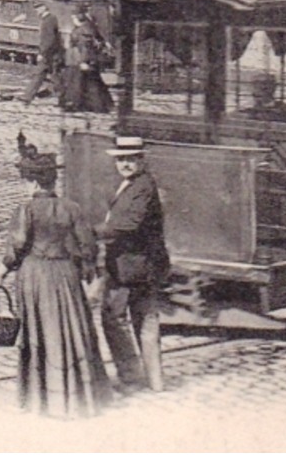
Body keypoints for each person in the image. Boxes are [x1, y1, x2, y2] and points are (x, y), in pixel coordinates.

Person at [0, 144, 111, 418]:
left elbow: (16, 248)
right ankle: (79, 396)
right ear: (53, 180)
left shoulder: (26, 210)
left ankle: (41, 396)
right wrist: (91, 277)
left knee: (39, 332)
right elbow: (88, 247)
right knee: (71, 330)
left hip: (35, 275)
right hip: (65, 275)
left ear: (31, 182)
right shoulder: (72, 208)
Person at [96, 136, 170, 394]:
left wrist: (90, 234)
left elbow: (127, 225)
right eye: (121, 159)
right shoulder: (135, 184)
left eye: (131, 159)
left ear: (141, 159)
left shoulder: (142, 187)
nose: (125, 164)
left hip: (129, 267)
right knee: (146, 320)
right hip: (145, 265)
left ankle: (131, 379)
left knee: (114, 319)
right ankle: (155, 380)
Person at [60, 4, 113, 113]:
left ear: (79, 16)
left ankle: (75, 104)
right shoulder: (87, 27)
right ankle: (101, 105)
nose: (72, 19)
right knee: (90, 83)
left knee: (79, 83)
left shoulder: (83, 30)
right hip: (80, 59)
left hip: (79, 60)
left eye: (74, 17)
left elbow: (84, 47)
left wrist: (83, 61)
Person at [19, 1, 64, 104]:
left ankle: (28, 96)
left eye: (38, 8)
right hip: (53, 53)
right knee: (54, 76)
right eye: (36, 9)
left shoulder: (48, 20)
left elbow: (48, 40)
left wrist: (42, 53)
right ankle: (63, 96)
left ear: (44, 8)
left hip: (49, 54)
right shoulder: (50, 19)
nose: (37, 11)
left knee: (39, 74)